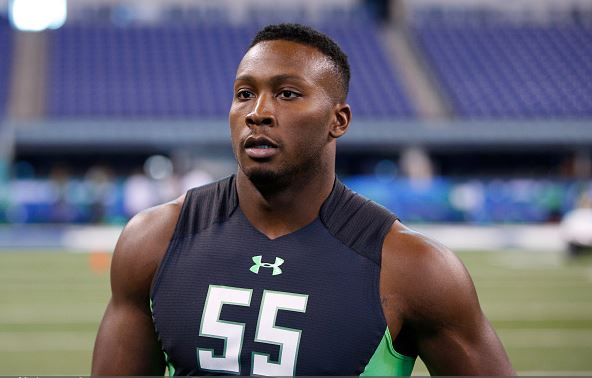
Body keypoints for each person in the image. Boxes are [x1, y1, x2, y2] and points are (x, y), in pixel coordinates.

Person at [91, 23, 514, 376]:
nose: (258, 111)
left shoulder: (413, 267)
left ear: (338, 120)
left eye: (287, 93)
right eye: (244, 94)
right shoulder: (154, 239)